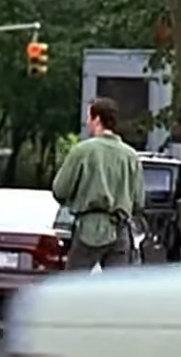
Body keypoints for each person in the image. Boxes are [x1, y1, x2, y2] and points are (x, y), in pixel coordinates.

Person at [51, 97, 145, 270]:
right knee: (115, 289)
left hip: (88, 228)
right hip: (119, 229)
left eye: (89, 117)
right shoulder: (131, 156)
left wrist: (75, 200)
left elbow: (60, 190)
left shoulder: (82, 151)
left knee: (74, 284)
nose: (87, 122)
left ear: (97, 119)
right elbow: (139, 202)